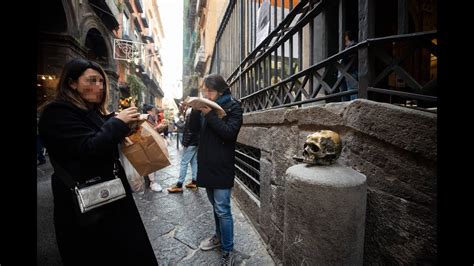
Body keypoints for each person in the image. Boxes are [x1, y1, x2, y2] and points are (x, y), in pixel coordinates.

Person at [38, 58, 158, 265]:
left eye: (102, 82)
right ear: (72, 83)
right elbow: (88, 148)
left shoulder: (92, 112)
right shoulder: (56, 113)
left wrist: (128, 125)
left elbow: (105, 138)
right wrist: (118, 123)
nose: (100, 87)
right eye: (92, 81)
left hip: (113, 197)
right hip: (85, 205)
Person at [191, 74, 243, 265]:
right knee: (216, 207)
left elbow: (229, 134)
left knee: (223, 209)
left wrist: (210, 115)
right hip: (206, 164)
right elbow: (195, 131)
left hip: (222, 165)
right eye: (204, 90)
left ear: (220, 90)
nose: (206, 93)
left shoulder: (234, 107)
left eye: (209, 90)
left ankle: (228, 249)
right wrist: (193, 112)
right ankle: (218, 237)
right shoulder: (206, 107)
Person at [167, 106, 199, 193]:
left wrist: (185, 143)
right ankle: (195, 182)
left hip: (191, 143)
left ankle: (179, 185)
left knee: (184, 162)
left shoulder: (191, 115)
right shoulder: (199, 114)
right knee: (193, 161)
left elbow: (189, 132)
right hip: (196, 142)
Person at [142, 104, 163, 192]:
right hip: (148, 143)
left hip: (149, 143)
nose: (155, 111)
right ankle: (152, 183)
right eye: (153, 109)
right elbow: (148, 132)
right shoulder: (148, 118)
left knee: (150, 163)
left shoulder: (151, 118)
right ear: (149, 111)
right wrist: (159, 128)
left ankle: (150, 182)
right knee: (150, 163)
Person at [340, 30, 358, 101]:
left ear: (347, 37)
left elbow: (348, 58)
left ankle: (353, 107)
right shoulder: (347, 46)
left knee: (352, 90)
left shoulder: (353, 45)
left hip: (351, 71)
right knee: (346, 92)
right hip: (346, 72)